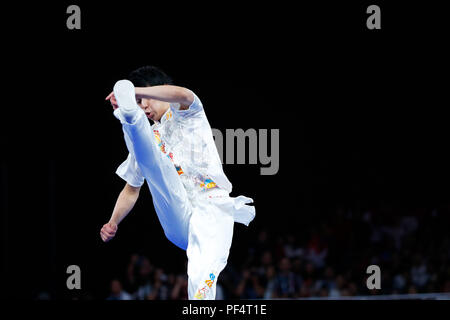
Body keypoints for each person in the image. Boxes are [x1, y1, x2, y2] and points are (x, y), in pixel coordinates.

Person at [99, 66, 255, 300]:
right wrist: (113, 221)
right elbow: (131, 189)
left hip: (211, 210)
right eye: (137, 102)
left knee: (201, 285)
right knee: (153, 161)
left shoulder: (188, 112)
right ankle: (129, 118)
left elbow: (182, 94)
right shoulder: (149, 141)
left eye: (143, 101)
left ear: (157, 89)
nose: (144, 107)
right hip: (176, 216)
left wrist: (134, 91)